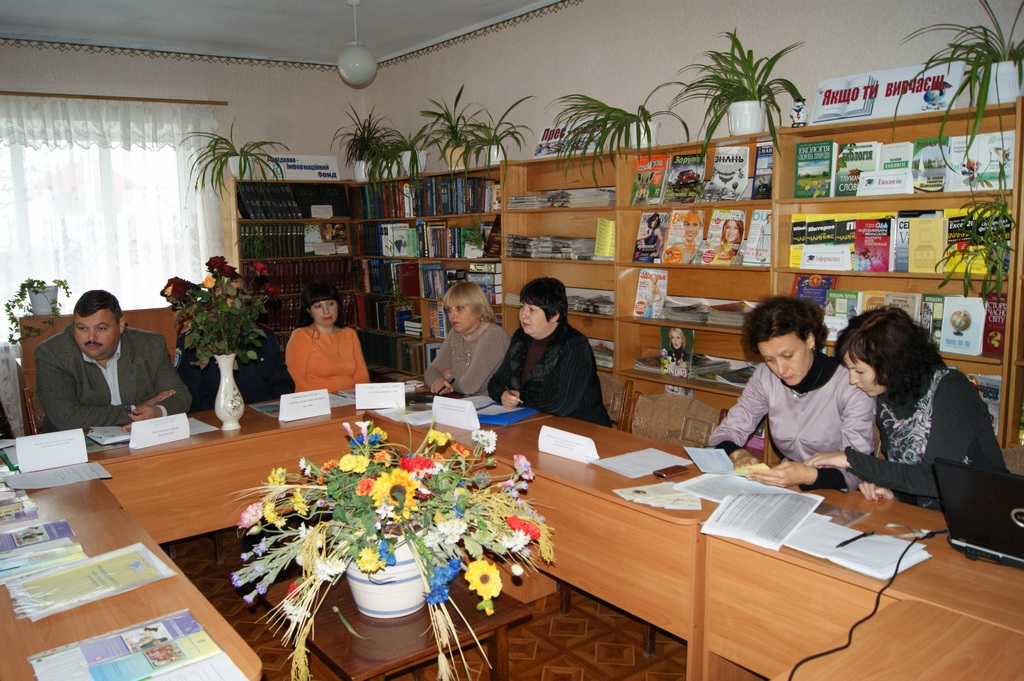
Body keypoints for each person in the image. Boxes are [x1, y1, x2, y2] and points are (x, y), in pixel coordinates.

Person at [806, 306, 1008, 508]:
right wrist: (894, 494)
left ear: (890, 365)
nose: (852, 380)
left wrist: (852, 460)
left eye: (859, 371)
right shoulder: (887, 395)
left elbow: (935, 479)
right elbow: (907, 474)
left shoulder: (952, 390)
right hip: (928, 517)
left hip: (985, 511)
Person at [709, 296, 875, 491]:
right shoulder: (765, 376)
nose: (780, 369)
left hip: (840, 489)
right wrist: (739, 454)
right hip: (789, 483)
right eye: (770, 359)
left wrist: (807, 476)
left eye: (788, 356)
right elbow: (726, 433)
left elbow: (858, 466)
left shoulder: (851, 384)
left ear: (810, 339)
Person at [34, 289, 191, 432]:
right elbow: (67, 417)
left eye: (101, 328)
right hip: (75, 445)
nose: (91, 337)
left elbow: (179, 395)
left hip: (139, 440)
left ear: (121, 325)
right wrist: (134, 410)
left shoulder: (149, 346)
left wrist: (157, 412)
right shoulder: (52, 353)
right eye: (82, 328)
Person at [487, 277, 610, 426]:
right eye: (522, 307)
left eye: (532, 310)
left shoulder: (574, 345)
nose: (523, 315)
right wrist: (504, 394)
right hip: (535, 422)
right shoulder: (521, 337)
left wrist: (520, 398)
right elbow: (495, 382)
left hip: (581, 427)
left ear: (554, 315)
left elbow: (561, 405)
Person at [175, 273, 294, 412]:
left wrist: (265, 409)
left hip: (261, 413)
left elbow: (283, 383)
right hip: (214, 416)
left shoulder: (263, 335)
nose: (233, 300)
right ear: (212, 298)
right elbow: (192, 394)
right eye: (226, 294)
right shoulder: (192, 340)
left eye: (239, 293)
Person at [424, 281, 509, 396]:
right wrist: (438, 381)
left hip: (489, 402)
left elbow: (468, 386)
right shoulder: (456, 332)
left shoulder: (493, 335)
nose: (452, 315)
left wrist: (447, 377)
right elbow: (431, 371)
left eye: (459, 308)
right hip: (463, 400)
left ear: (478, 308)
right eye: (449, 309)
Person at [286, 281, 368, 392]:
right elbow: (297, 382)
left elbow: (361, 375)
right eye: (318, 306)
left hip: (350, 398)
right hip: (316, 399)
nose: (326, 311)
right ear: (309, 311)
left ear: (338, 305)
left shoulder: (349, 334)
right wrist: (326, 399)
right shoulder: (301, 336)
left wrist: (361, 396)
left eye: (330, 304)